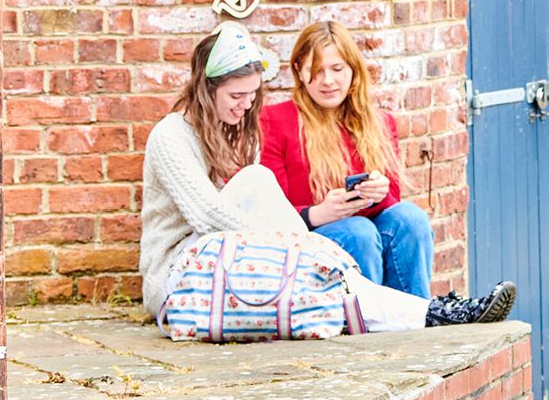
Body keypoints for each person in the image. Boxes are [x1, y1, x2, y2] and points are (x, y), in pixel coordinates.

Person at [141, 21, 514, 334]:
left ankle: (436, 313)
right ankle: (437, 313)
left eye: (253, 95)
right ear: (207, 91)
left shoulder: (226, 129)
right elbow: (207, 217)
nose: (247, 105)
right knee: (325, 221)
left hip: (226, 262)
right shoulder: (170, 136)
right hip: (183, 276)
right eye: (237, 95)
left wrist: (372, 195)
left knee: (406, 220)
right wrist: (295, 247)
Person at [262, 21, 434, 297]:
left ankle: (417, 319)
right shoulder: (275, 121)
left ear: (353, 70)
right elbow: (269, 212)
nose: (328, 80)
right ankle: (367, 331)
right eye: (316, 71)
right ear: (299, 72)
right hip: (308, 241)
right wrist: (317, 214)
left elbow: (391, 205)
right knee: (358, 231)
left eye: (337, 69)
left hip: (367, 231)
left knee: (410, 219)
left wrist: (378, 194)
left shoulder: (379, 122)